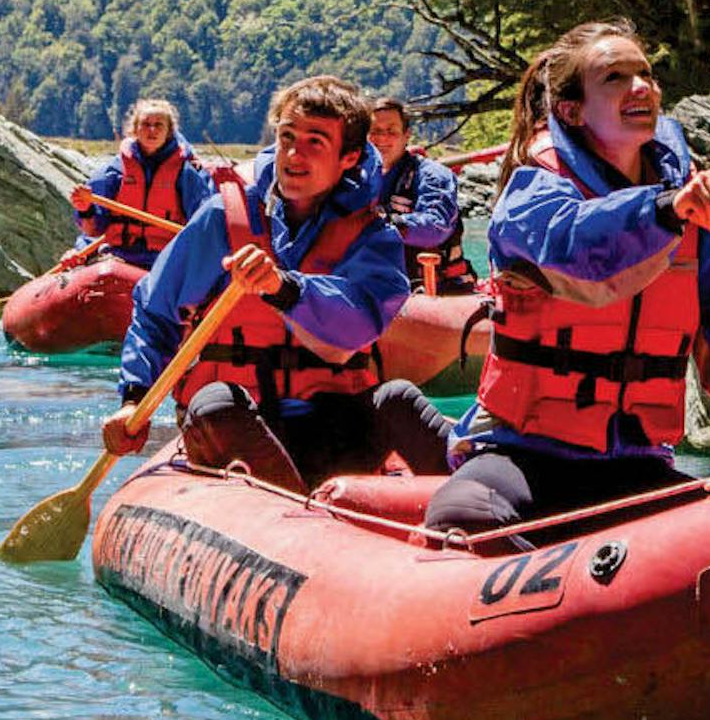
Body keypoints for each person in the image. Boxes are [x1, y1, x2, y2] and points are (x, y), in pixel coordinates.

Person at [424, 20, 710, 534]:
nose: (640, 87)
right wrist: (665, 209)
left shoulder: (693, 213)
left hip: (636, 461)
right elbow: (581, 251)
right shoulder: (532, 195)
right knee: (462, 518)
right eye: (615, 78)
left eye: (644, 73)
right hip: (522, 452)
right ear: (571, 110)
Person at [105, 75, 452, 491]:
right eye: (287, 137)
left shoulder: (371, 237)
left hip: (331, 426)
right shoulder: (224, 219)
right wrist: (133, 397)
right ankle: (295, 510)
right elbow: (155, 309)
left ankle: (486, 516)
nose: (293, 154)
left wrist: (285, 288)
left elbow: (359, 321)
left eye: (314, 143)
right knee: (215, 402)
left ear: (349, 157)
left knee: (396, 399)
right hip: (240, 422)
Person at [76, 97, 214, 269]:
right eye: (146, 124)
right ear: (135, 129)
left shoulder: (185, 172)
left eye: (159, 125)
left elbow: (203, 221)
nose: (152, 130)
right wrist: (85, 209)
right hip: (120, 252)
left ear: (169, 132)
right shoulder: (116, 169)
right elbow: (93, 229)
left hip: (165, 257)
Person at [366, 96, 476, 294]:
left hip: (437, 287)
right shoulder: (356, 178)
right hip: (381, 285)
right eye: (375, 131)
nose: (382, 138)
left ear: (406, 134)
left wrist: (386, 222)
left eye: (391, 131)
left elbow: (436, 226)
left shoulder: (433, 175)